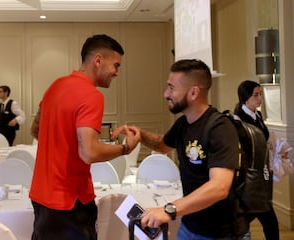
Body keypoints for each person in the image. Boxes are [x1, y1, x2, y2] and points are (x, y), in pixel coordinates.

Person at [113, 59, 250, 239]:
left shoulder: (220, 129)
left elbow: (219, 187)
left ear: (193, 92)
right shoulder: (183, 124)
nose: (165, 94)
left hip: (221, 233)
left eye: (171, 88)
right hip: (190, 226)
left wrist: (169, 210)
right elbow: (162, 144)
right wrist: (139, 134)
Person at [29, 34, 140, 240]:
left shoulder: (55, 86)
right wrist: (126, 148)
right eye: (116, 65)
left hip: (41, 196)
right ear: (98, 60)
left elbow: (36, 129)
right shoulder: (92, 95)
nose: (117, 72)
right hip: (70, 200)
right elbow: (89, 152)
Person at [234, 80, 279, 240]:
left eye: (260, 94)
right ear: (246, 98)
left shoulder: (258, 115)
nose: (260, 98)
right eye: (256, 95)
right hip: (250, 177)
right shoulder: (238, 120)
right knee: (268, 218)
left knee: (255, 215)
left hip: (262, 174)